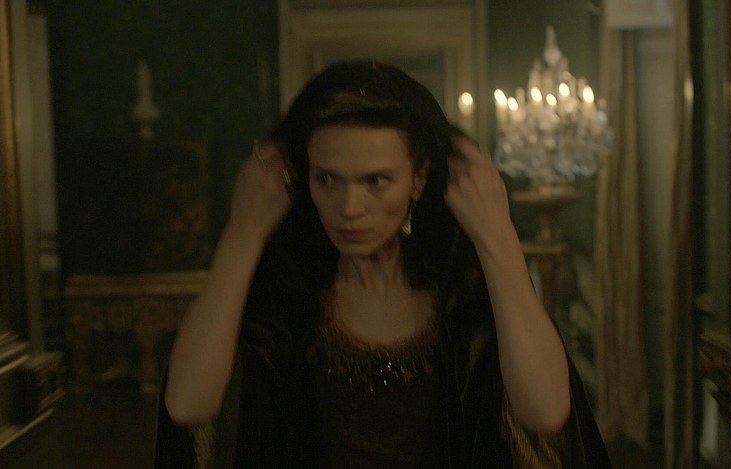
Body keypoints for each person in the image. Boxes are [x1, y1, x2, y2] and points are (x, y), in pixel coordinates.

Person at [155, 60, 610, 468]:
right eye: (326, 179)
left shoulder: (459, 291)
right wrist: (242, 235)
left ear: (419, 179)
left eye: (376, 181)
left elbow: (547, 413)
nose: (349, 207)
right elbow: (187, 406)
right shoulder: (291, 294)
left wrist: (497, 236)